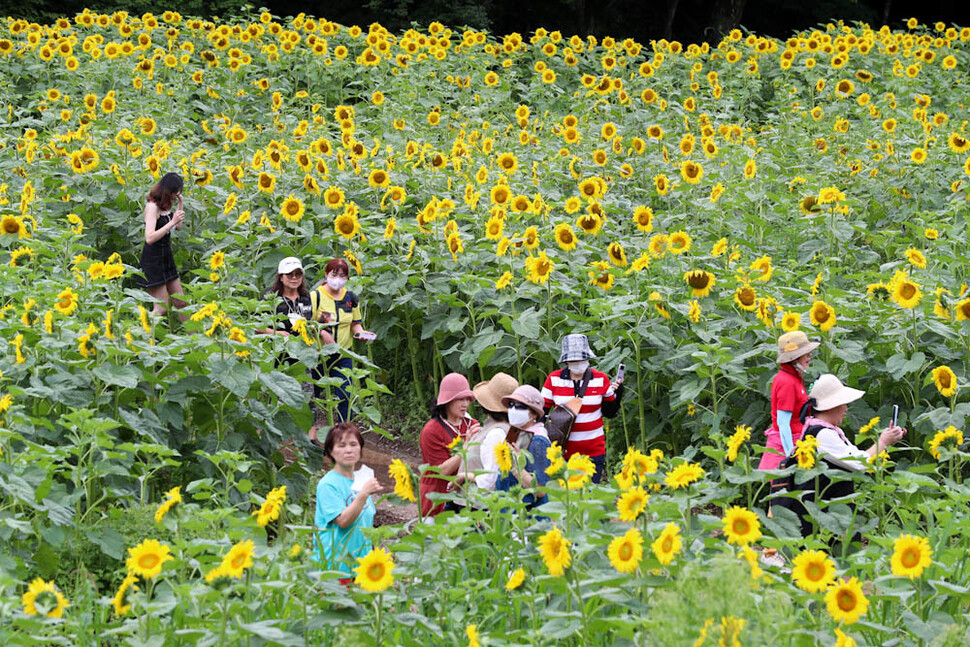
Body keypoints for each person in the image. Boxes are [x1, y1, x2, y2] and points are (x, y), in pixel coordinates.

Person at [770, 374, 907, 537]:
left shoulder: (823, 429)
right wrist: (883, 443)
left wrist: (885, 440)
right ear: (830, 406)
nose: (846, 409)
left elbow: (855, 455)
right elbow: (859, 462)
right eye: (843, 403)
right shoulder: (823, 435)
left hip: (825, 514)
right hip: (823, 518)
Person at [541, 333, 623, 483]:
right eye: (573, 360)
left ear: (588, 359)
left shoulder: (600, 379)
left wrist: (619, 392)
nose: (577, 363)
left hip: (593, 451)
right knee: (566, 498)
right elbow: (542, 412)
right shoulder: (553, 379)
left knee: (591, 497)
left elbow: (610, 412)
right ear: (566, 361)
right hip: (562, 453)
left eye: (581, 359)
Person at [309, 258, 375, 422]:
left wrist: (361, 333)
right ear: (326, 274)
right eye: (334, 274)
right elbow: (306, 324)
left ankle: (343, 433)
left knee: (345, 393)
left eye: (342, 275)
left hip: (343, 354)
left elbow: (355, 323)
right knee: (312, 395)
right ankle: (308, 437)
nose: (338, 278)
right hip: (318, 354)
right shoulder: (315, 297)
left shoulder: (351, 298)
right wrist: (322, 332)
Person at [314, 422, 382, 577]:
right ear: (330, 451)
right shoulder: (328, 484)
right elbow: (343, 521)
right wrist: (363, 494)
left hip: (362, 566)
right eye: (341, 445)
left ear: (360, 449)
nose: (349, 450)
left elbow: (366, 523)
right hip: (336, 567)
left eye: (353, 444)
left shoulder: (363, 478)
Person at [419, 373, 481, 517]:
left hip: (465, 501)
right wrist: (465, 447)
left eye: (467, 399)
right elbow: (441, 471)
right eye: (460, 399)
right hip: (436, 500)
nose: (465, 404)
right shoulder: (432, 430)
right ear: (447, 400)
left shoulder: (473, 425)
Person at [757, 331, 819, 471]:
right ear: (795, 358)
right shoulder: (787, 382)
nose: (810, 356)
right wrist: (790, 456)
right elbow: (783, 423)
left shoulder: (794, 376)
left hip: (797, 441)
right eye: (806, 353)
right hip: (786, 446)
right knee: (784, 489)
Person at [496, 385, 552, 509]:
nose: (513, 410)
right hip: (510, 510)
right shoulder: (516, 433)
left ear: (534, 414)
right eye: (511, 405)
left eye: (520, 406)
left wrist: (515, 466)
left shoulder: (538, 441)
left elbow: (541, 490)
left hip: (529, 517)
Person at [257, 257, 334, 345]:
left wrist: (321, 331)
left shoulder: (306, 297)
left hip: (303, 349)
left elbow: (313, 321)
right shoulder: (270, 298)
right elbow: (255, 326)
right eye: (289, 274)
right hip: (278, 350)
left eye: (298, 274)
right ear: (281, 277)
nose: (294, 277)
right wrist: (275, 333)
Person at [139, 172, 186, 316]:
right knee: (161, 308)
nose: (175, 195)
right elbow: (150, 237)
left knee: (181, 302)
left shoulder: (166, 205)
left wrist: (180, 204)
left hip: (166, 257)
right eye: (174, 193)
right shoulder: (153, 207)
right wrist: (171, 222)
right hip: (153, 260)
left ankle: (195, 337)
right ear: (167, 191)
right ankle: (140, 332)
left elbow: (178, 227)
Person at [468, 372, 519, 493]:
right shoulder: (504, 427)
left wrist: (465, 477)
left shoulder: (496, 433)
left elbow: (491, 478)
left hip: (478, 504)